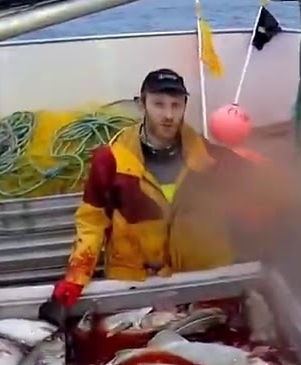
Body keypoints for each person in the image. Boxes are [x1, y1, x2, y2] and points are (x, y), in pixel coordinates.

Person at [38, 68, 239, 327]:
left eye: (176, 105)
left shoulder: (211, 158)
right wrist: (75, 279)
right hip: (135, 286)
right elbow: (91, 223)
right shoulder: (110, 161)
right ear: (141, 103)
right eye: (158, 104)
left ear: (185, 106)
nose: (168, 115)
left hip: (198, 283)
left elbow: (261, 190)